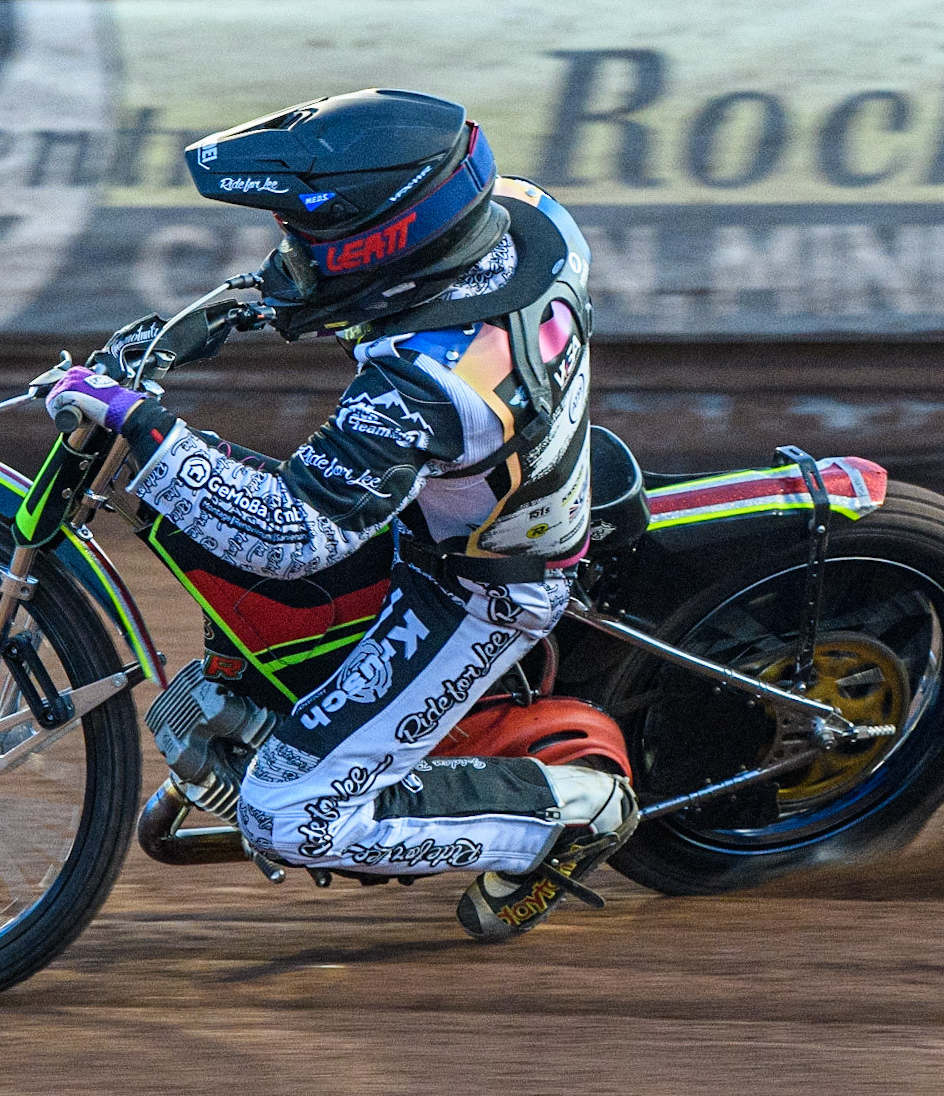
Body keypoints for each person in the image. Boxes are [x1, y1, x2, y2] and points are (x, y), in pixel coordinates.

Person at [45, 89, 638, 941]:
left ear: (386, 239)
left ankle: (575, 809)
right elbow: (361, 286)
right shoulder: (522, 214)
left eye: (310, 238)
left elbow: (295, 534)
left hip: (477, 587)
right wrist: (235, 308)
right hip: (480, 496)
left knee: (288, 815)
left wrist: (146, 429)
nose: (294, 250)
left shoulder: (434, 386)